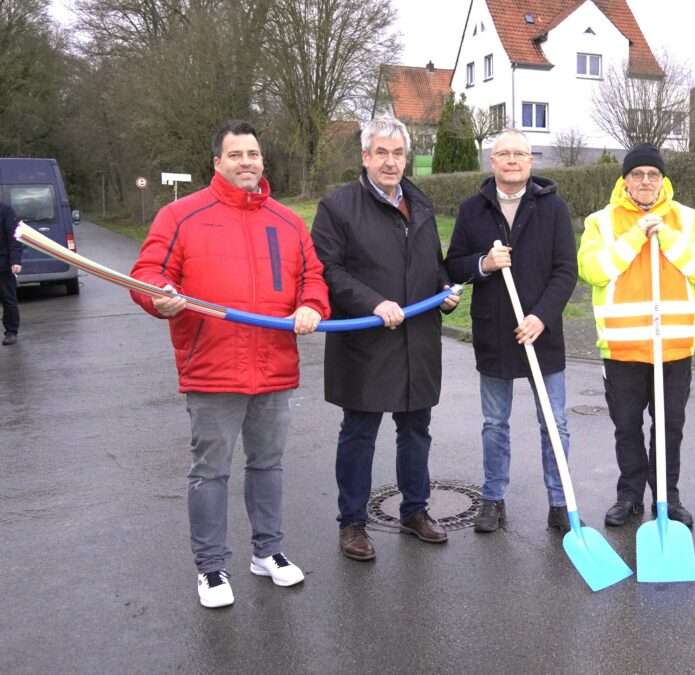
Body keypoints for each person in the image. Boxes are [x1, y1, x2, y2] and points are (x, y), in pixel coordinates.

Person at [130, 120, 330, 608]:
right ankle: (212, 567)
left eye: (254, 154)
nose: (247, 162)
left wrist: (311, 306)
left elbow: (313, 278)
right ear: (216, 162)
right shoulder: (180, 215)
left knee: (268, 465)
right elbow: (146, 275)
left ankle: (268, 552)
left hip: (274, 367)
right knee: (210, 471)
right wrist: (162, 299)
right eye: (236, 154)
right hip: (213, 367)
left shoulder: (286, 221)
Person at [311, 117, 459, 562]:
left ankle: (415, 511)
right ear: (365, 157)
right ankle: (352, 522)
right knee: (359, 434)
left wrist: (445, 289)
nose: (390, 162)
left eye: (397, 154)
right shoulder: (338, 206)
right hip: (367, 342)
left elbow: (432, 262)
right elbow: (328, 271)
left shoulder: (420, 201)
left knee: (416, 431)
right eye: (381, 153)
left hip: (418, 339)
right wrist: (373, 303)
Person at [578, 144, 695, 529]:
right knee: (626, 427)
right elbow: (592, 270)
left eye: (652, 175)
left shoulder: (687, 218)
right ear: (625, 180)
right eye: (637, 174)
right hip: (622, 347)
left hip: (673, 346)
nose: (645, 181)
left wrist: (667, 237)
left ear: (663, 180)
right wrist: (636, 237)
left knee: (670, 427)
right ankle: (629, 495)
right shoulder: (601, 222)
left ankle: (666, 496)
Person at [445, 129, 578, 534]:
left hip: (541, 332)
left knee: (554, 422)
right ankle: (492, 498)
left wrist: (541, 316)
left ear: (531, 161)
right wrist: (483, 264)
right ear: (493, 162)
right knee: (494, 423)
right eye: (504, 154)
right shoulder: (472, 210)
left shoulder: (552, 208)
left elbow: (565, 270)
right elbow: (453, 265)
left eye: (520, 153)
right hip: (495, 332)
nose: (512, 160)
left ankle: (560, 501)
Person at [1, 199, 22, 346]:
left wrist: (15, 261)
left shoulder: (5, 211)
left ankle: (11, 332)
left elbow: (14, 237)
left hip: (3, 264)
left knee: (8, 299)